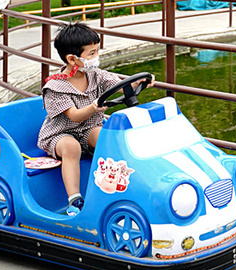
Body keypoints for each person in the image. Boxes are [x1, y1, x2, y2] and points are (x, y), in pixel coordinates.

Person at [35, 23, 150, 216]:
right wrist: (93, 106)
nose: (96, 57)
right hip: (60, 135)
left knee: (106, 137)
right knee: (72, 147)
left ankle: (120, 186)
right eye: (92, 53)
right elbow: (74, 116)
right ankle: (74, 200)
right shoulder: (55, 87)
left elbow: (119, 85)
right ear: (72, 59)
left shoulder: (95, 75)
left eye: (97, 51)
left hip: (87, 130)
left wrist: (140, 81)